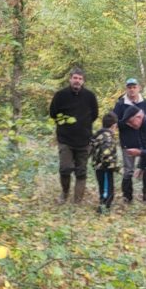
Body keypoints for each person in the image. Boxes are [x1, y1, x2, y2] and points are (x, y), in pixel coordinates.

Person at [48, 68, 99, 204]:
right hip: (65, 140)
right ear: (70, 79)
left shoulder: (90, 96)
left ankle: (77, 200)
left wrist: (83, 125)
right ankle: (64, 193)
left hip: (84, 141)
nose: (77, 81)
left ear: (83, 81)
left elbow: (94, 115)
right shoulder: (60, 95)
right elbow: (53, 113)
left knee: (81, 171)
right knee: (65, 169)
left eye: (80, 79)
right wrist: (65, 126)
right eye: (75, 78)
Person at [113, 78, 146, 203]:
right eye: (129, 87)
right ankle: (127, 197)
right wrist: (129, 122)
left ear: (139, 88)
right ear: (126, 89)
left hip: (145, 142)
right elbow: (115, 122)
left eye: (134, 87)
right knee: (128, 170)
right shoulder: (120, 104)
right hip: (127, 141)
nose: (132, 90)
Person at [90, 113, 120, 214]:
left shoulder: (99, 135)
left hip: (98, 166)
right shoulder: (108, 137)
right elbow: (106, 154)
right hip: (106, 167)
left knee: (102, 186)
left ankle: (104, 205)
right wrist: (115, 167)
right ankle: (104, 208)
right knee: (107, 189)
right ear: (114, 125)